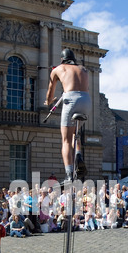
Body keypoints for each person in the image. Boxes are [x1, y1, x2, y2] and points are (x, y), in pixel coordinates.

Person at [45, 48, 91, 181]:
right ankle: (78, 154)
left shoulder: (57, 69)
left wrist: (49, 101)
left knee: (66, 140)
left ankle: (69, 174)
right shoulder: (83, 69)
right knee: (74, 135)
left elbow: (50, 92)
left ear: (61, 59)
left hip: (71, 99)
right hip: (86, 101)